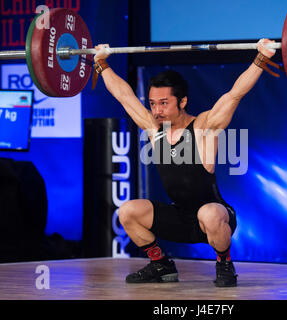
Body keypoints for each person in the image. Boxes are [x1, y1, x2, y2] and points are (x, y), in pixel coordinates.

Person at [93, 39, 277, 287]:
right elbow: (124, 95)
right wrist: (101, 64)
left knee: (208, 212)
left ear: (182, 102)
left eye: (164, 103)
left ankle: (224, 264)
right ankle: (161, 265)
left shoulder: (204, 127)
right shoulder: (153, 129)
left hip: (215, 216)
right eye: (153, 103)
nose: (157, 110)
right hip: (180, 216)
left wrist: (261, 58)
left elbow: (235, 94)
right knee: (127, 212)